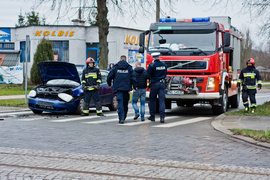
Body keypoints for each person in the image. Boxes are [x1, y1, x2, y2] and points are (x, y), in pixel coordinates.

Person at [107, 55, 137, 124]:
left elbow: (109, 76)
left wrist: (109, 84)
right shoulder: (129, 68)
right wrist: (135, 87)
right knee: (125, 103)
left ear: (120, 59)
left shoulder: (116, 67)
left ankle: (121, 118)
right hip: (126, 89)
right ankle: (124, 116)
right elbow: (133, 78)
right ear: (126, 60)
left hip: (119, 88)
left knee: (120, 102)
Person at [147, 52, 167, 123]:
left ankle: (152, 116)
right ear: (158, 57)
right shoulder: (164, 65)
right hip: (162, 83)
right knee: (162, 100)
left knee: (152, 100)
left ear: (153, 58)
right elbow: (165, 74)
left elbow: (148, 75)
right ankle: (162, 117)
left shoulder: (152, 65)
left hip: (155, 83)